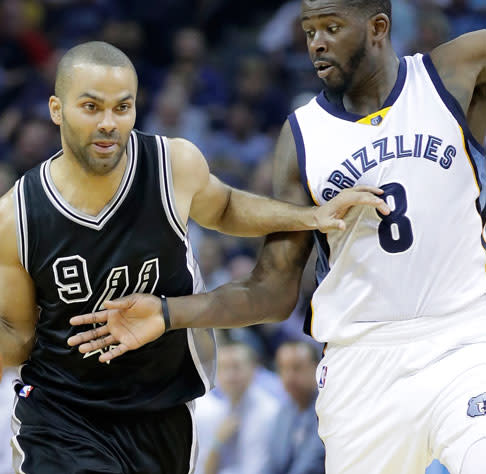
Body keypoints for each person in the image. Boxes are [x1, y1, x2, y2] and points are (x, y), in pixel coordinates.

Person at [0, 40, 385, 474]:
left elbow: (227, 206)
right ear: (57, 109)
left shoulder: (172, 165)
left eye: (123, 107)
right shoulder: (17, 214)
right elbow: (16, 331)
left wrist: (310, 215)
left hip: (160, 410)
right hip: (61, 411)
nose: (109, 123)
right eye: (92, 107)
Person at [67, 3, 486, 474]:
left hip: (465, 342)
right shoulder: (303, 135)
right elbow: (270, 291)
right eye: (308, 31)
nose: (316, 43)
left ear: (378, 27)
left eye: (331, 28)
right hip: (361, 365)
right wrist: (168, 313)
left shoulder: (450, 72)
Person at [194, 342, 281, 474]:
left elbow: (256, 469)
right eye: (223, 368)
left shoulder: (268, 412)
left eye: (236, 367)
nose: (230, 376)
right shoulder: (218, 411)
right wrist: (217, 442)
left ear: (253, 369)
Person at [268, 341, 325, 474]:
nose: (289, 377)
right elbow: (273, 464)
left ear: (317, 368)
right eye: (283, 368)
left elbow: (309, 466)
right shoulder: (284, 411)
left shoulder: (326, 410)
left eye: (297, 368)